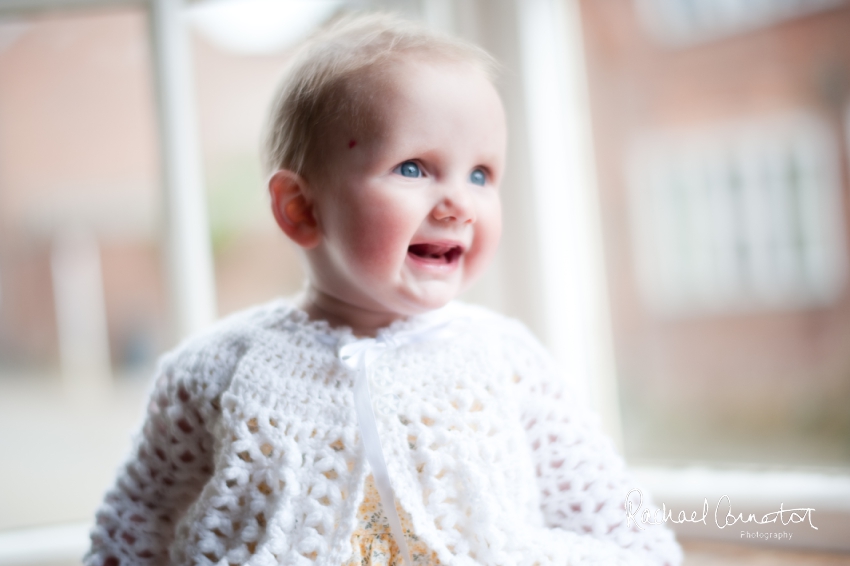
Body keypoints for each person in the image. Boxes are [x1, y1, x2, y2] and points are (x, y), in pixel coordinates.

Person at [85, 14, 682, 566]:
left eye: (481, 173)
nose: (459, 203)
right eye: (414, 167)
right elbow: (133, 520)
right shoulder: (216, 371)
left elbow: (616, 518)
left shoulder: (505, 361)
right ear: (301, 208)